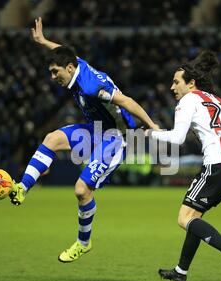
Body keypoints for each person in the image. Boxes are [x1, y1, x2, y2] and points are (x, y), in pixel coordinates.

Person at [9, 17, 159, 263]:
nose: (53, 77)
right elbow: (64, 53)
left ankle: (83, 243)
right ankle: (22, 187)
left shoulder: (90, 86)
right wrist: (43, 41)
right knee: (52, 139)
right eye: (50, 72)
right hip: (95, 129)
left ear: (69, 69)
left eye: (55, 72)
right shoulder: (74, 65)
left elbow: (126, 101)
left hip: (116, 137)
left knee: (81, 190)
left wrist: (151, 125)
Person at [146, 50, 221, 281]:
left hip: (217, 163)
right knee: (195, 218)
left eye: (176, 82)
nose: (172, 87)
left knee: (184, 218)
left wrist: (153, 134)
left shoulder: (188, 99)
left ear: (191, 84)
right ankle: (181, 272)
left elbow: (178, 138)